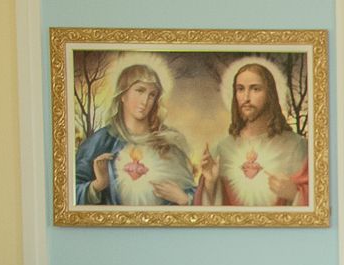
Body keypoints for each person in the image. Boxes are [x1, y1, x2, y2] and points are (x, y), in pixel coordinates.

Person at [75, 62, 197, 207]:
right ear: (123, 95)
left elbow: (195, 197)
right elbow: (69, 196)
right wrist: (97, 185)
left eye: (152, 95)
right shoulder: (101, 141)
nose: (145, 101)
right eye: (140, 90)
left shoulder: (167, 142)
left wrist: (182, 198)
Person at [195, 60, 308, 207]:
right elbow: (207, 214)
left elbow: (316, 203)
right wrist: (210, 184)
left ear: (270, 94)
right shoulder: (222, 148)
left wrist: (294, 194)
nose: (246, 98)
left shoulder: (295, 145)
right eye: (240, 89)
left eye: (255, 89)